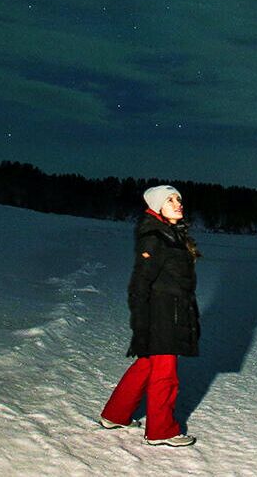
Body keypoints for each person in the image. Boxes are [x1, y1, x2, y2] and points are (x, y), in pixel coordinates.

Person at [97, 184, 201, 446]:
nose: (178, 203)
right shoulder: (155, 237)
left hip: (169, 311)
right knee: (165, 374)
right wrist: (141, 323)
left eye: (178, 198)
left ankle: (115, 415)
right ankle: (161, 431)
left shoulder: (170, 234)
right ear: (157, 207)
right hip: (163, 315)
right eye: (170, 200)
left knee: (146, 366)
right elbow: (139, 283)